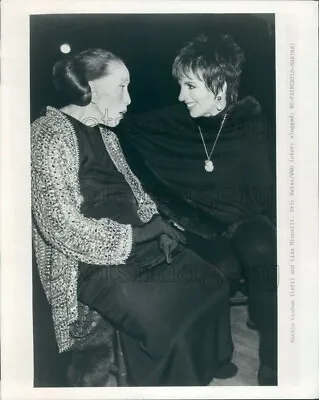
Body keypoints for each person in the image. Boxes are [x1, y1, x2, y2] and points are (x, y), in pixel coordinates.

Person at [31, 48, 238, 387]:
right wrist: (141, 235)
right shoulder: (45, 134)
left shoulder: (108, 135)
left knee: (211, 281)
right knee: (162, 316)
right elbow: (61, 228)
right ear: (91, 88)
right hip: (89, 263)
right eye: (122, 87)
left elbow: (138, 196)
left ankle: (206, 360)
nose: (128, 99)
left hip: (139, 244)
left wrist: (161, 229)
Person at [117, 34, 277, 386]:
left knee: (264, 250)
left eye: (190, 86)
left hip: (247, 218)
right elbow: (122, 128)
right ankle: (219, 352)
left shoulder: (254, 123)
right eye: (180, 85)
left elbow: (269, 192)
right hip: (200, 225)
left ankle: (273, 360)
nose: (181, 95)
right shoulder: (174, 121)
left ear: (219, 84)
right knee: (215, 267)